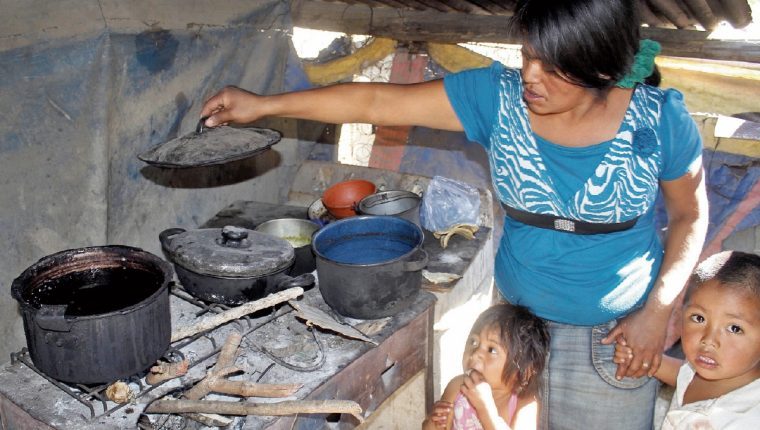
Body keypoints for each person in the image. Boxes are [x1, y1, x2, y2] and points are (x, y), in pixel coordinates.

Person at [200, 0, 709, 427]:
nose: (530, 75)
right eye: (528, 53)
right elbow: (378, 101)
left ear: (600, 67)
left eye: (553, 65)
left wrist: (658, 311)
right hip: (512, 326)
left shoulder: (658, 121)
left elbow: (690, 216)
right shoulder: (500, 101)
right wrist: (261, 105)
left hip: (616, 337)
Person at [614, 251, 760, 429]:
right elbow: (684, 376)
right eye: (699, 318)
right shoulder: (702, 371)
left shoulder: (747, 416)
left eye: (734, 328)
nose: (708, 340)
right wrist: (640, 356)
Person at [422, 304, 550, 430]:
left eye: (492, 350)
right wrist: (433, 422)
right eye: (473, 342)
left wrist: (485, 409)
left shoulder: (524, 405)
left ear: (523, 370)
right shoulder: (457, 387)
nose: (476, 353)